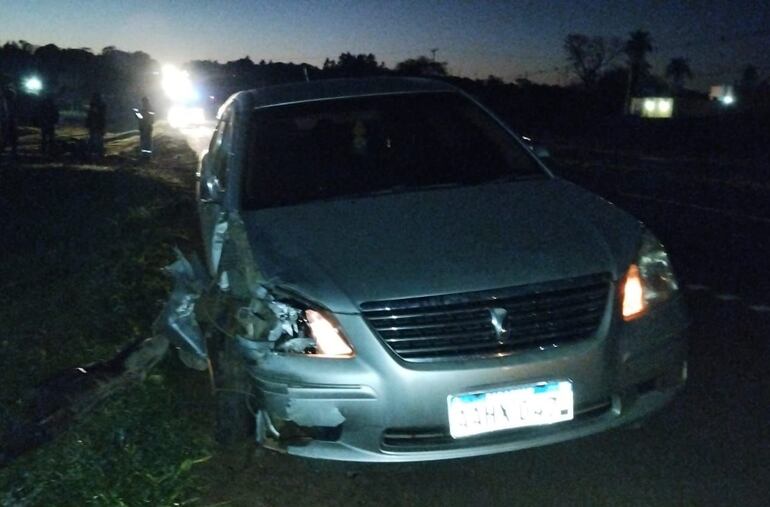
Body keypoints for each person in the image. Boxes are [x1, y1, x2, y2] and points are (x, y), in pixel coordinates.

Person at [85, 92, 106, 157]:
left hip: (97, 125)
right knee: (96, 138)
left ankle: (96, 151)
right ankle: (96, 151)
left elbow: (92, 115)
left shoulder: (97, 105)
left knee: (96, 138)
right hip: (97, 125)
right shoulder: (101, 105)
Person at [1, 86, 18, 158]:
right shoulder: (5, 102)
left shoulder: (6, 102)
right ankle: (9, 148)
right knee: (8, 134)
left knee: (8, 134)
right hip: (7, 120)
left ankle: (8, 148)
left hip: (9, 120)